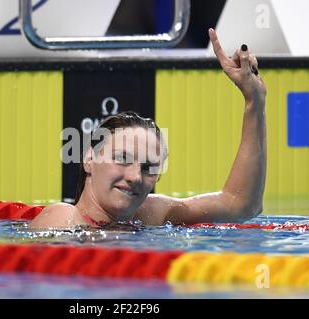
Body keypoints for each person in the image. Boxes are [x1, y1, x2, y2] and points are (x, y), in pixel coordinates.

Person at [30, 28, 267, 229]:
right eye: (122, 159)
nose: (135, 177)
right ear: (89, 159)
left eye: (148, 168)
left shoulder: (151, 213)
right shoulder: (63, 219)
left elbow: (242, 205)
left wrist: (254, 101)